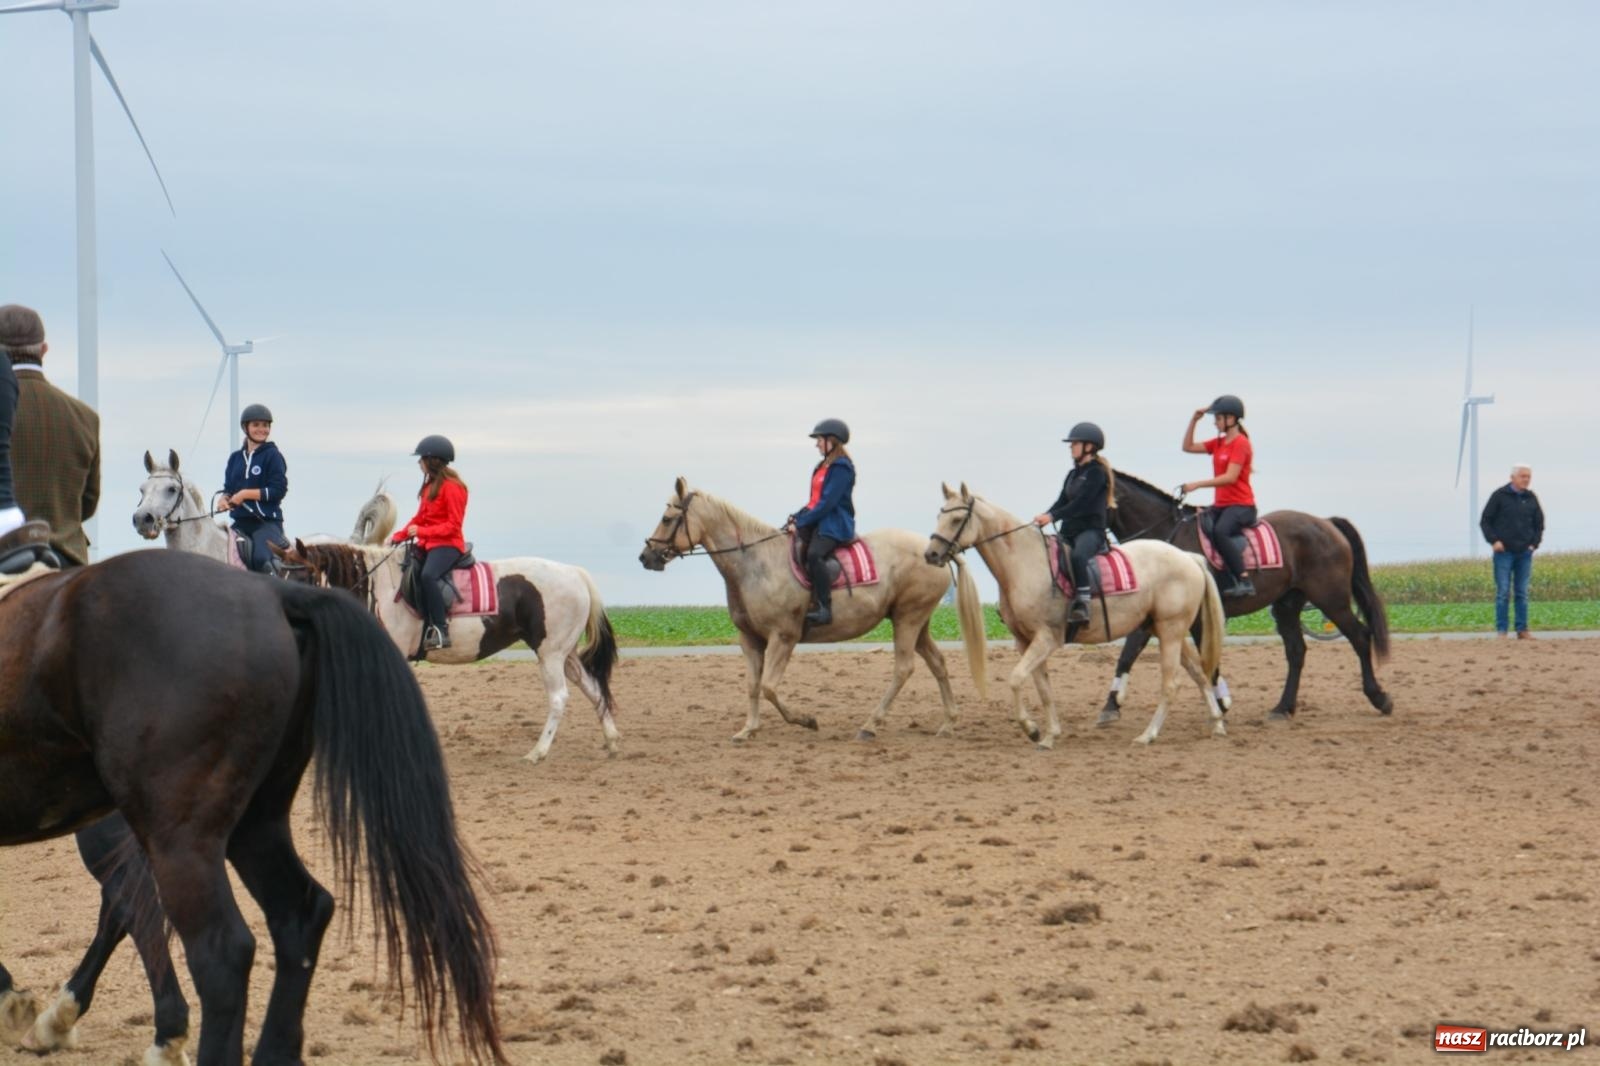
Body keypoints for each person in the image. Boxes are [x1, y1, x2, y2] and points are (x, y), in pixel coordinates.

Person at [0, 304, 85, 562]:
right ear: (44, 349)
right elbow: (88, 501)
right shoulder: (84, 416)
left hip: (7, 549)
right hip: (66, 557)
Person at [391, 434, 468, 653]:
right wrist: (399, 535)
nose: (419, 463)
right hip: (429, 543)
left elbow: (453, 525)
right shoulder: (429, 487)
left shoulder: (453, 488)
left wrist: (423, 531)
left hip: (448, 545)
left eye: (421, 459)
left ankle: (441, 630)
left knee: (427, 575)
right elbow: (419, 519)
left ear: (432, 460)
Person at [1033, 422, 1114, 624]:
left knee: (1078, 556)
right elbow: (1062, 500)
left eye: (1074, 443)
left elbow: (1081, 504)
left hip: (1091, 531)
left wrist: (1052, 517)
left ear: (1089, 446)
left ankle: (1083, 603)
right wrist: (1047, 514)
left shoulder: (1097, 473)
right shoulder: (1073, 474)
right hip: (1069, 530)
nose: (1071, 447)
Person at [1181, 394, 1257, 599]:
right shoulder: (1219, 443)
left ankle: (1244, 580)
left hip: (1242, 506)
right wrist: (1194, 420)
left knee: (1221, 531)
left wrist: (1198, 484)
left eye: (1218, 418)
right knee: (1197, 523)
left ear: (1231, 419)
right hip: (1222, 505)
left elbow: (1231, 477)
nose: (1215, 422)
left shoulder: (1241, 443)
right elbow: (1187, 447)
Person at [789, 418, 855, 626]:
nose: (817, 443)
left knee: (815, 554)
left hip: (834, 524)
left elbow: (827, 503)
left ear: (832, 441)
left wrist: (801, 523)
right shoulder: (821, 466)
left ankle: (825, 608)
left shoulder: (842, 467)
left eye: (819, 439)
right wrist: (796, 516)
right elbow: (814, 501)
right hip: (818, 519)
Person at [216, 403, 289, 574]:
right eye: (256, 425)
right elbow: (229, 488)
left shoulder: (273, 456)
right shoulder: (235, 459)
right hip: (240, 524)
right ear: (245, 427)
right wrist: (224, 499)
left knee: (261, 558)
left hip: (267, 523)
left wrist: (244, 494)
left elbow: (278, 490)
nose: (262, 429)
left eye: (265, 425)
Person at [1480, 463, 1544, 640]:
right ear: (1513, 478)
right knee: (1503, 592)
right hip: (1504, 552)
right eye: (1523, 476)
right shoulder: (1499, 496)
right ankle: (1502, 631)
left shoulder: (1531, 498)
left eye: (1528, 476)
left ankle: (1522, 629)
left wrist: (1534, 545)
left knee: (1522, 592)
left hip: (1524, 552)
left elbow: (1539, 524)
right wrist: (1494, 540)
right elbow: (1485, 520)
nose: (1526, 479)